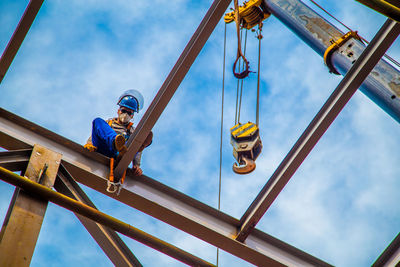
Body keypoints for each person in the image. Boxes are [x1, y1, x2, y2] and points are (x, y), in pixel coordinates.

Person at [84, 89, 153, 176]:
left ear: (132, 116)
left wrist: (136, 165)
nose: (125, 114)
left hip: (121, 154)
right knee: (97, 121)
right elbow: (96, 132)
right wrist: (89, 143)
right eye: (123, 111)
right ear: (118, 110)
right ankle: (115, 142)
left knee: (138, 138)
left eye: (129, 113)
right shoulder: (108, 123)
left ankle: (130, 147)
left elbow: (139, 151)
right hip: (104, 149)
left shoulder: (132, 131)